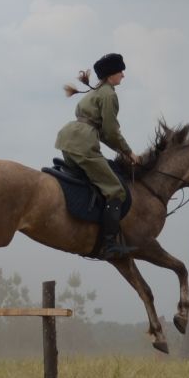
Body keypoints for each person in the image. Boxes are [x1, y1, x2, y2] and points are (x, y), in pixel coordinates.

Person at [57, 52, 135, 258]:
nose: (123, 76)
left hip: (67, 140)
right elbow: (110, 131)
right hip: (84, 145)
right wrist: (128, 152)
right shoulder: (109, 94)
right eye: (121, 71)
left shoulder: (94, 92)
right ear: (111, 75)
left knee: (95, 179)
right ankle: (109, 244)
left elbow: (104, 134)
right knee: (116, 190)